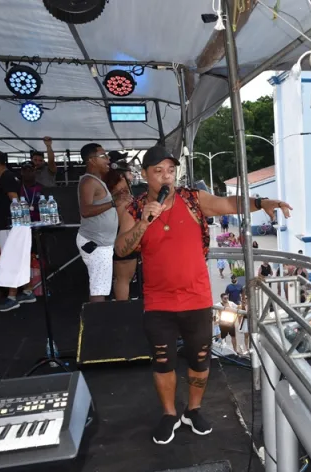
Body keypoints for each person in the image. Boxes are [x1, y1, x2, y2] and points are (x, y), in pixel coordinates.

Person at [115, 145, 291, 444]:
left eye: (171, 170)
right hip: (159, 302)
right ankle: (170, 413)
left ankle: (193, 410)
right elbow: (121, 249)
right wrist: (145, 221)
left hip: (196, 299)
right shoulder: (133, 210)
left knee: (200, 359)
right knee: (163, 361)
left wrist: (262, 202)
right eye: (158, 171)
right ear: (145, 175)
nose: (166, 177)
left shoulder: (192, 200)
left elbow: (228, 203)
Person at [0, 150, 36, 312]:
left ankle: (12, 297)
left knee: (11, 259)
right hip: (11, 224)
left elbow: (14, 199)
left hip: (9, 225)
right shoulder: (9, 177)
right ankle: (28, 291)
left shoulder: (7, 177)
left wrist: (18, 221)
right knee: (17, 258)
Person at [76, 143, 117, 302]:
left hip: (101, 243)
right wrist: (113, 203)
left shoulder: (95, 181)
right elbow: (86, 211)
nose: (108, 159)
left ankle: (98, 321)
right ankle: (97, 324)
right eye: (103, 156)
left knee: (101, 286)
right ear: (92, 160)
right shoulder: (88, 182)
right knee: (99, 289)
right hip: (96, 243)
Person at [104, 151, 139, 301]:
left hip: (122, 237)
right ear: (120, 175)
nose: (131, 175)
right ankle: (123, 312)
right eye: (128, 171)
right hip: (124, 239)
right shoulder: (121, 197)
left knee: (123, 279)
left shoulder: (115, 194)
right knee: (123, 279)